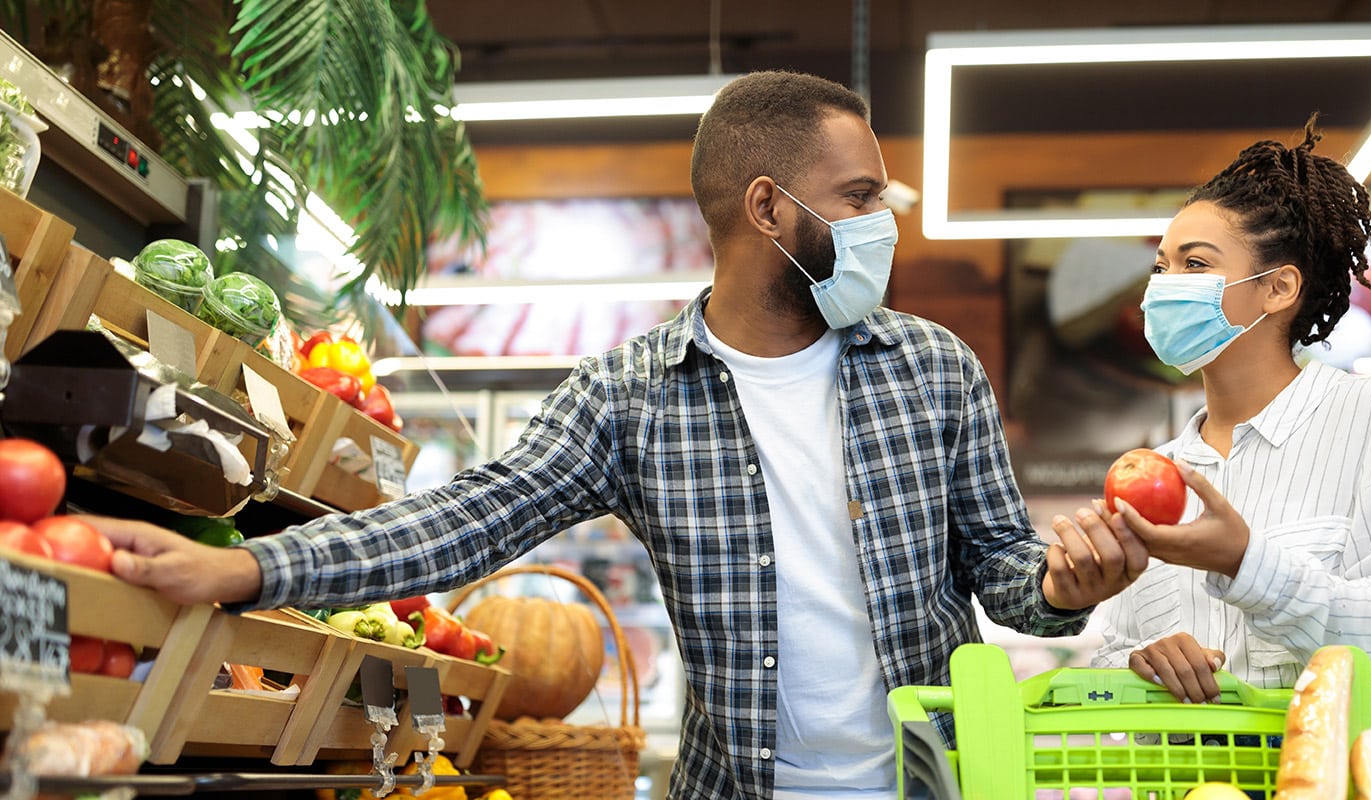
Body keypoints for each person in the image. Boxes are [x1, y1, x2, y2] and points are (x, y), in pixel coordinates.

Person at [90, 71, 1149, 799]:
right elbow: (468, 519)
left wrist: (1064, 583)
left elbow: (1004, 571)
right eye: (861, 195)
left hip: (935, 777)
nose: (886, 221)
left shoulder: (929, 366)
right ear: (770, 208)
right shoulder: (632, 395)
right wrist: (246, 570)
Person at [1082, 116, 1371, 756]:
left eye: (1195, 265)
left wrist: (1246, 564)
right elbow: (1107, 664)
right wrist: (1140, 665)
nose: (1164, 286)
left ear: (1279, 288)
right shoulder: (1158, 471)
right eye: (1162, 266)